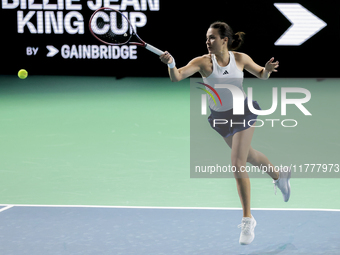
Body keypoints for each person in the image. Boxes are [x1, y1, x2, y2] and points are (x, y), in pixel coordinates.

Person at [159, 21, 291, 245]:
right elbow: (177, 77)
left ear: (224, 40)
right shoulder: (202, 62)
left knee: (237, 162)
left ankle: (248, 219)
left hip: (243, 112)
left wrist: (267, 70)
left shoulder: (240, 59)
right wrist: (171, 63)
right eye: (207, 38)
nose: (207, 41)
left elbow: (261, 74)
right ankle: (280, 176)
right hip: (221, 119)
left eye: (212, 37)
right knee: (249, 156)